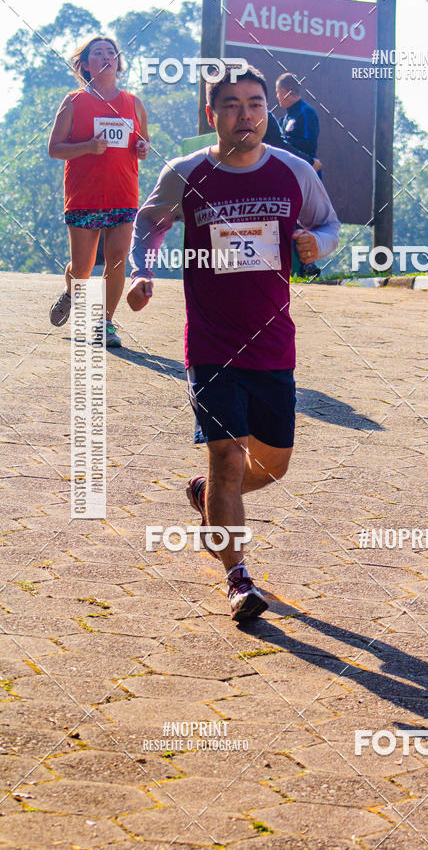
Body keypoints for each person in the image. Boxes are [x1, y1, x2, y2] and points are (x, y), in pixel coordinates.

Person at [126, 64, 340, 621]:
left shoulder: (294, 172)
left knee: (272, 466)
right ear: (211, 114)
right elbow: (148, 222)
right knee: (227, 458)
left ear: (267, 110)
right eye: (231, 105)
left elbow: (329, 224)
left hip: (273, 345)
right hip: (211, 345)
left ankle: (207, 498)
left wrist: (317, 243)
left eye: (254, 104)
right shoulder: (186, 171)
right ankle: (238, 579)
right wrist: (140, 269)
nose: (244, 114)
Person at [48, 36, 149, 347]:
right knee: (83, 269)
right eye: (97, 53)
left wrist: (143, 148)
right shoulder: (74, 101)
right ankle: (71, 290)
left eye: (111, 52)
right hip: (84, 195)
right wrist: (88, 147)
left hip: (123, 193)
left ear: (118, 62)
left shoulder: (133, 103)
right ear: (86, 65)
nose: (106, 57)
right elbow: (55, 149)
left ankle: (104, 323)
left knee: (117, 259)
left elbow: (142, 144)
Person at [275, 73, 323, 278]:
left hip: (305, 174)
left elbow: (307, 146)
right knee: (286, 218)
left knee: (304, 220)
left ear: (285, 92)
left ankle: (308, 264)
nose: (277, 97)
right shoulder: (283, 118)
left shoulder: (306, 113)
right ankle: (289, 266)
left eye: (278, 92)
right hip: (286, 175)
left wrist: (308, 161)